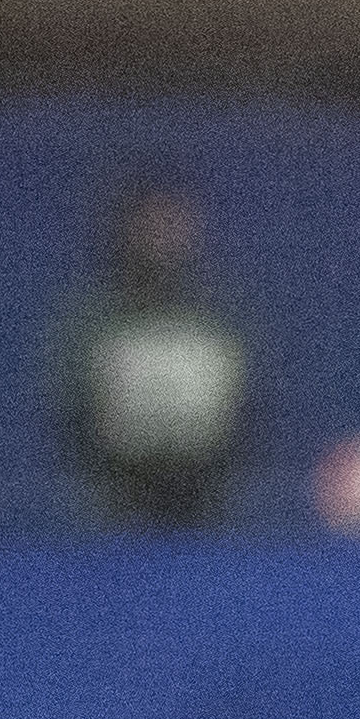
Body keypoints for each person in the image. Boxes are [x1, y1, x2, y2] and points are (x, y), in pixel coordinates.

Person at [51, 178, 250, 526]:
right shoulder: (93, 324)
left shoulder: (222, 323)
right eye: (148, 223)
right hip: (115, 518)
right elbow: (71, 424)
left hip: (209, 517)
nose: (160, 238)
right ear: (125, 231)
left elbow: (250, 421)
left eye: (171, 223)